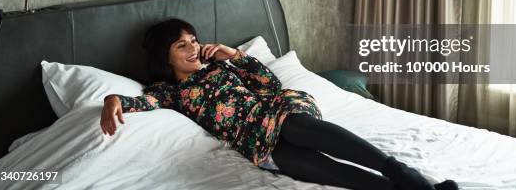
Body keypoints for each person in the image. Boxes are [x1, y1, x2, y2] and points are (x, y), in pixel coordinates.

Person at [100, 19, 458, 190]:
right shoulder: (171, 92)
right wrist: (111, 99)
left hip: (279, 112)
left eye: (193, 40)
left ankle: (399, 171)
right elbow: (139, 102)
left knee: (296, 127)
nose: (193, 47)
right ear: (166, 57)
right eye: (182, 45)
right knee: (304, 165)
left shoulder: (221, 65)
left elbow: (269, 84)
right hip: (258, 143)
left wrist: (235, 55)